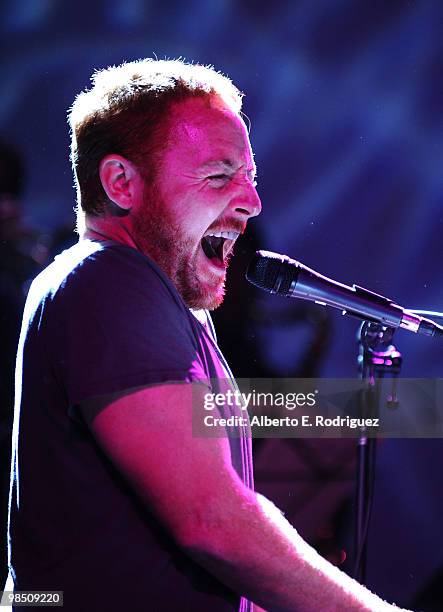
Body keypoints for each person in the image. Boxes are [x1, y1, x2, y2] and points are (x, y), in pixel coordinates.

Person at [8, 59, 406, 611]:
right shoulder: (108, 280)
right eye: (219, 176)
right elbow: (212, 522)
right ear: (121, 183)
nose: (252, 202)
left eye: (250, 177)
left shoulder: (168, 302)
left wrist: (407, 408)